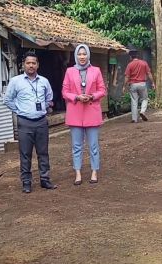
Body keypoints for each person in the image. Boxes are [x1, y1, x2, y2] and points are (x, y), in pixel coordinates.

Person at [4, 51, 57, 193]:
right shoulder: (16, 81)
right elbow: (7, 100)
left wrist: (44, 107)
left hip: (41, 122)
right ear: (23, 65)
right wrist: (20, 110)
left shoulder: (44, 81)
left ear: (38, 65)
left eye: (34, 63)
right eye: (28, 63)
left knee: (43, 152)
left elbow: (49, 98)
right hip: (24, 123)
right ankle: (26, 182)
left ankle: (45, 179)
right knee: (25, 154)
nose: (31, 65)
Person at [62, 44, 107, 185]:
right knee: (76, 145)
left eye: (84, 54)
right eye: (79, 54)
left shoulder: (96, 71)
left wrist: (92, 96)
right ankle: (78, 173)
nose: (82, 57)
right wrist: (76, 97)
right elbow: (65, 91)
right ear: (76, 56)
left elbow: (102, 89)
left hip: (91, 112)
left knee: (93, 145)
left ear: (88, 55)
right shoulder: (69, 71)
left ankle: (94, 171)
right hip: (75, 112)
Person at [123, 50, 155, 123]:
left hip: (133, 85)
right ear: (137, 56)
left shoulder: (130, 65)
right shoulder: (144, 63)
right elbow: (149, 73)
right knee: (145, 99)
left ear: (131, 57)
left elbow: (127, 77)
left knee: (134, 101)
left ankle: (134, 119)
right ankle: (142, 111)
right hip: (142, 84)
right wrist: (153, 83)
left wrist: (124, 86)